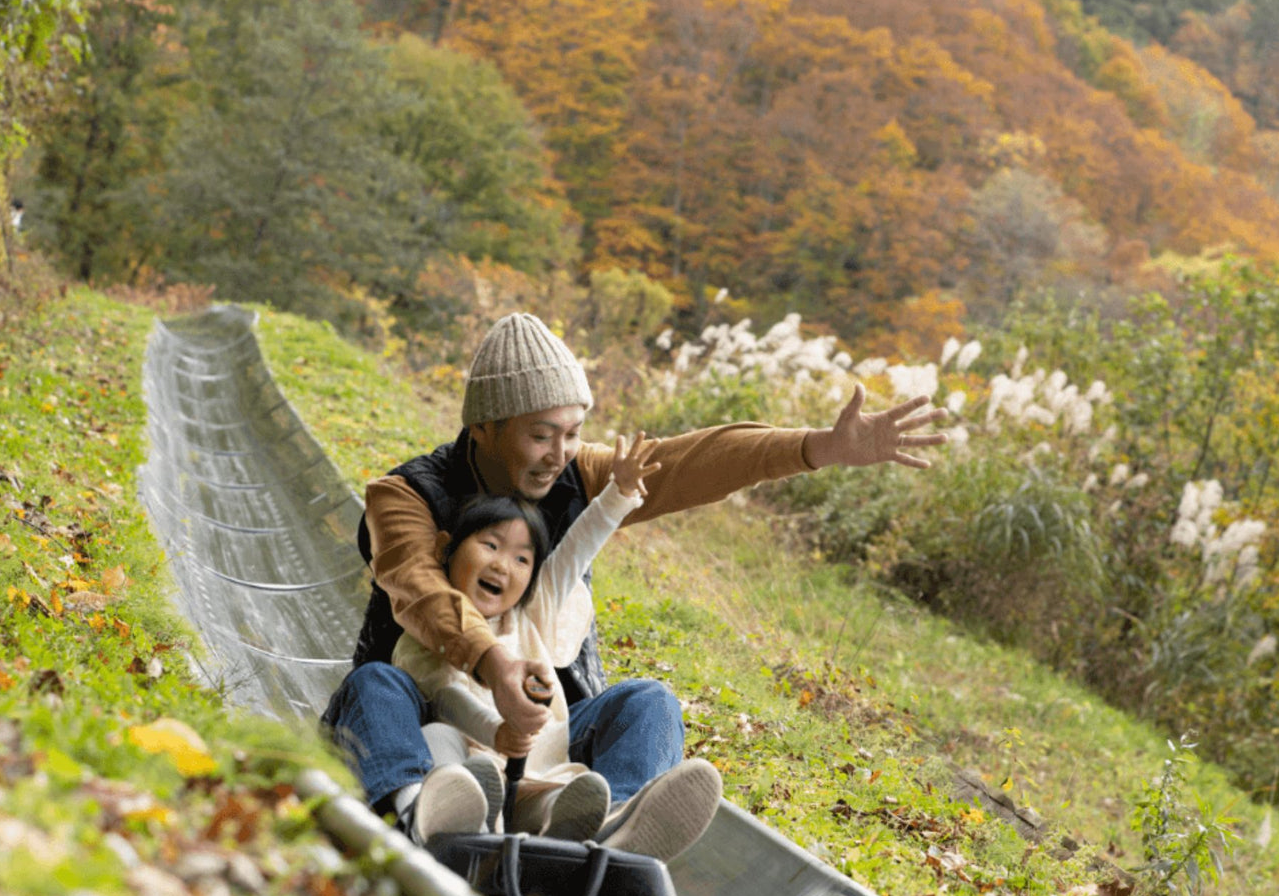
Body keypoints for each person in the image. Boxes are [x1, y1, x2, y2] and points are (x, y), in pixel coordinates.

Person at [322, 311, 948, 859]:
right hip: (420, 718)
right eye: (540, 434)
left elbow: (691, 462)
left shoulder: (579, 477)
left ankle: (604, 828)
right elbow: (421, 590)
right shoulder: (404, 496)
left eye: (572, 433)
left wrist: (818, 446)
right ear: (484, 427)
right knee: (373, 684)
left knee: (650, 702)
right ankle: (416, 813)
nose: (560, 453)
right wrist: (493, 663)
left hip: (544, 737)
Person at [392, 433, 716, 853]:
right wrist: (498, 731)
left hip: (543, 772)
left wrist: (617, 494)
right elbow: (447, 698)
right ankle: (473, 823)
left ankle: (615, 821)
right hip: (473, 768)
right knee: (439, 737)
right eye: (489, 545)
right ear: (447, 550)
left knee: (651, 699)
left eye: (521, 558)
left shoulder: (532, 613)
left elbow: (574, 553)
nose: (501, 565)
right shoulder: (431, 630)